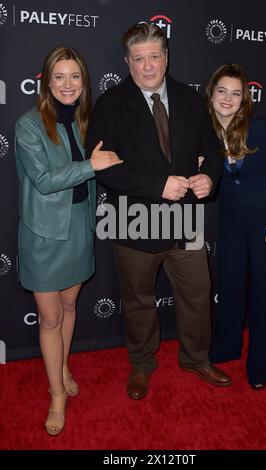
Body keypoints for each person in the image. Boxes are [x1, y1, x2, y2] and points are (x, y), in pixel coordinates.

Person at [86, 23, 232, 401]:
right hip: (132, 222)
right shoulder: (111, 103)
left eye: (154, 56)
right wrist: (157, 186)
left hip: (184, 220)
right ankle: (142, 364)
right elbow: (103, 167)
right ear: (127, 62)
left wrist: (209, 178)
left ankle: (196, 359)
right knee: (138, 302)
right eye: (139, 59)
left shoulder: (189, 98)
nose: (148, 66)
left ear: (166, 58)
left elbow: (212, 150)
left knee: (199, 295)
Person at [15, 45, 122, 435]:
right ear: (46, 82)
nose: (67, 84)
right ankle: (56, 394)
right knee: (50, 317)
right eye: (58, 77)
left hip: (79, 228)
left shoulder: (84, 121)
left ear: (84, 81)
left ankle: (61, 363)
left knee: (70, 304)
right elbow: (43, 181)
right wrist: (90, 165)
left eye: (75, 76)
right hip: (44, 235)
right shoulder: (28, 125)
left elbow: (111, 163)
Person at [206, 64, 266, 390]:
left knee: (264, 296)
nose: (227, 99)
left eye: (236, 93)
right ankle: (225, 348)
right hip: (229, 223)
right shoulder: (205, 131)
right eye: (222, 91)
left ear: (245, 99)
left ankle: (259, 369)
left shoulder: (259, 128)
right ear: (211, 93)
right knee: (229, 287)